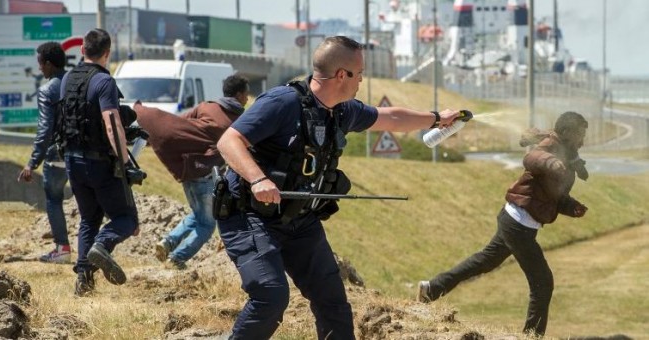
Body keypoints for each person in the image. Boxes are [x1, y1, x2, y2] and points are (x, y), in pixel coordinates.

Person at [215, 35, 462, 340]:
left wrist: (437, 119)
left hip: (299, 219)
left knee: (332, 301)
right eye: (359, 73)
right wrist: (258, 179)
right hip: (249, 216)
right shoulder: (282, 103)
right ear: (342, 75)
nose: (362, 79)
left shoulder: (342, 110)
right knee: (270, 296)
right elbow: (229, 141)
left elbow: (390, 117)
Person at [417, 111, 590, 337]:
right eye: (580, 135)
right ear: (567, 133)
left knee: (485, 261)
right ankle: (532, 335)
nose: (583, 141)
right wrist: (553, 162)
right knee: (543, 283)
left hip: (516, 220)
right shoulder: (551, 146)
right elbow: (531, 159)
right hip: (519, 224)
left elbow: (550, 194)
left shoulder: (565, 152)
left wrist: (571, 207)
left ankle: (432, 288)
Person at [131, 75, 250, 270]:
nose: (247, 98)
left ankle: (168, 242)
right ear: (238, 95)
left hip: (187, 169)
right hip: (205, 176)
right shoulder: (238, 122)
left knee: (199, 215)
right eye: (246, 94)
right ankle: (177, 258)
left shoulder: (206, 106)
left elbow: (180, 124)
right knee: (207, 225)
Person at [58, 28, 139, 296]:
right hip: (99, 163)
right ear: (108, 53)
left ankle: (84, 281)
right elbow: (111, 124)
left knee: (88, 218)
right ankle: (102, 246)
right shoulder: (104, 82)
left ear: (82, 50)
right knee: (126, 218)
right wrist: (125, 161)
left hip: (71, 160)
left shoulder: (68, 78)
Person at [18, 42, 70, 264]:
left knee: (54, 199)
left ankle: (62, 249)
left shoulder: (47, 90)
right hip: (83, 151)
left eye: (40, 63)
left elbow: (45, 129)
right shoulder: (76, 82)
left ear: (48, 64)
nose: (39, 68)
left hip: (57, 155)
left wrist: (32, 163)